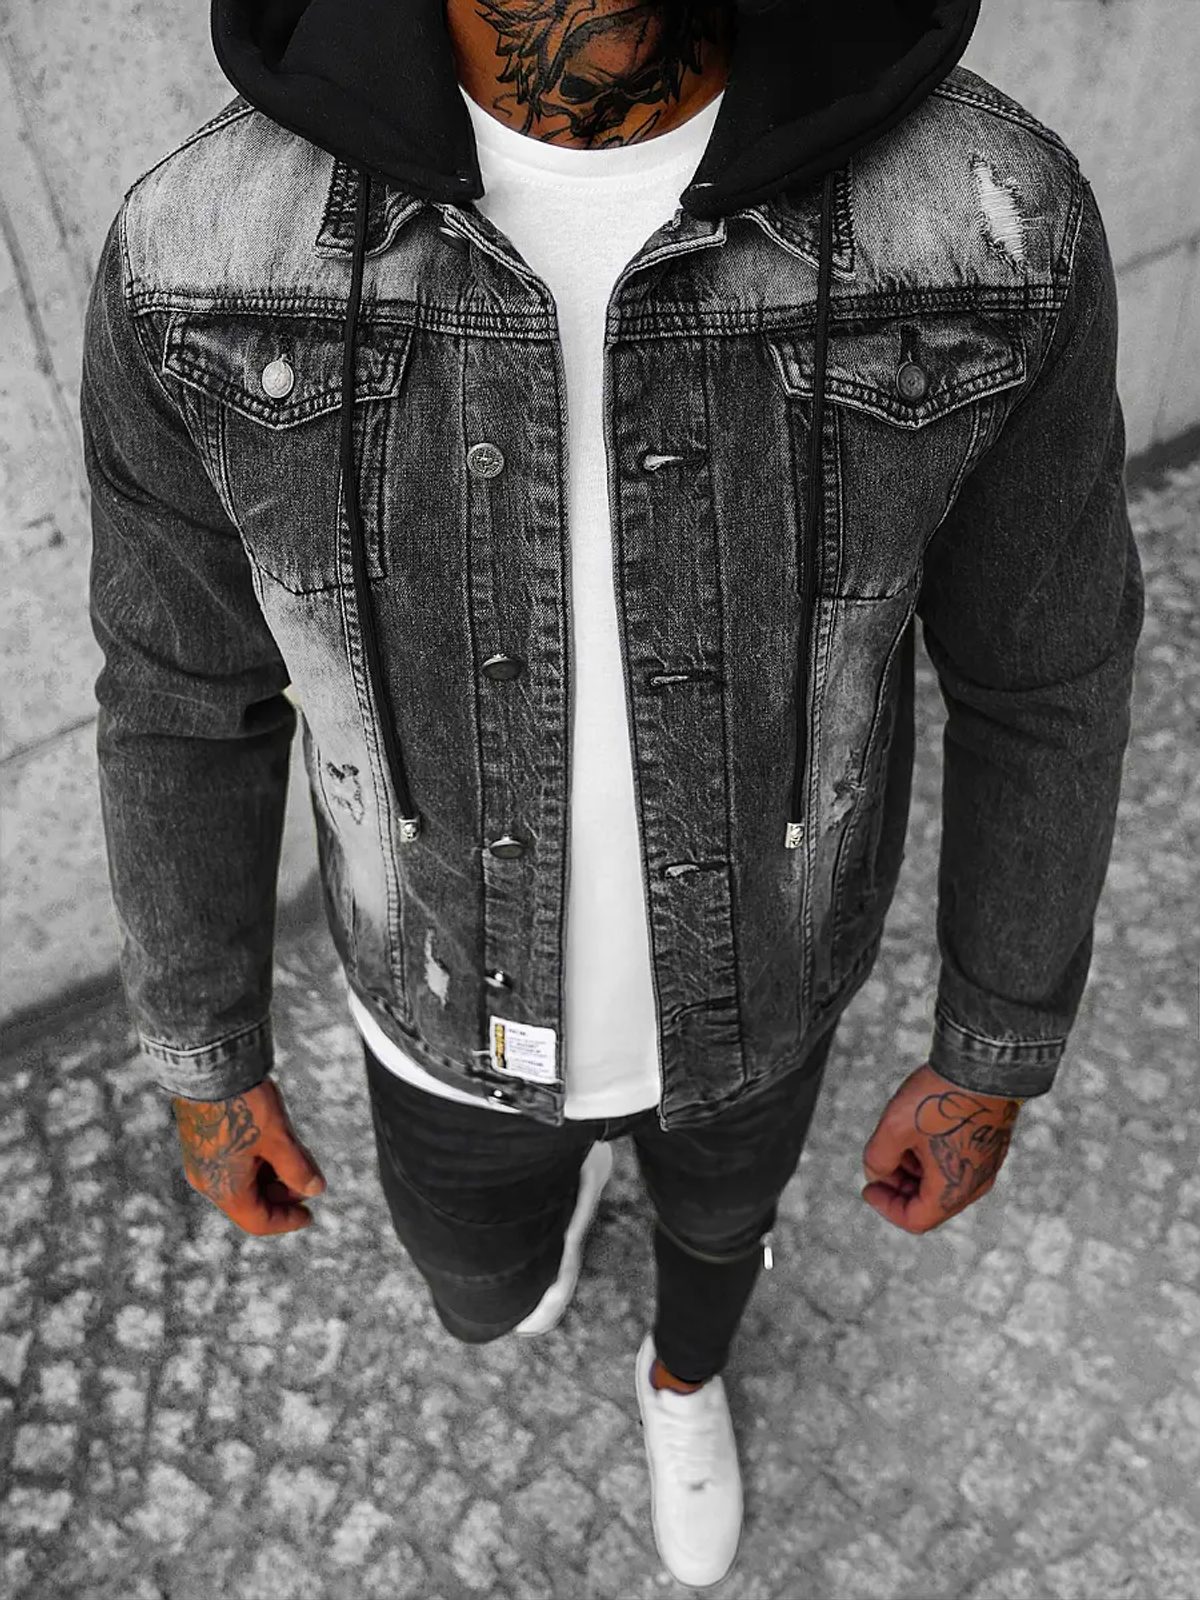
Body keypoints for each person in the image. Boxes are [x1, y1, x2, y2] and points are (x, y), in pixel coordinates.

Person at [81, 0, 1144, 1585]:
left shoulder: (988, 221)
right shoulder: (203, 251)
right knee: (481, 1296)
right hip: (435, 1021)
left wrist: (992, 1044)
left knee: (721, 1235)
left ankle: (685, 1378)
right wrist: (206, 1052)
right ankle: (565, 1209)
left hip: (771, 1003)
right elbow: (182, 696)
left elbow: (1046, 677)